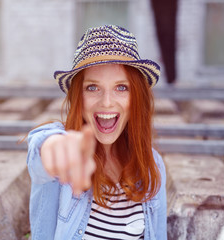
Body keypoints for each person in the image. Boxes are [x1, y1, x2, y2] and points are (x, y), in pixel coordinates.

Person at [27, 25, 167, 240]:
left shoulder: (152, 164)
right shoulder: (64, 150)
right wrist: (55, 149)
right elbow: (42, 148)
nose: (107, 102)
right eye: (92, 88)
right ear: (78, 96)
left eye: (121, 87)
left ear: (136, 97)